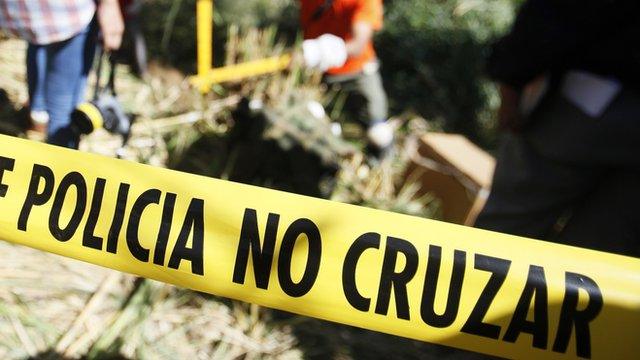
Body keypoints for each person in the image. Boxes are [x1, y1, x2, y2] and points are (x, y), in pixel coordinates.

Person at [475, 0, 640, 257]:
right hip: (601, 106)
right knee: (598, 257)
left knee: (502, 241)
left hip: (584, 106)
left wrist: (512, 80)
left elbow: (558, 12)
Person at [0, 0, 124, 148]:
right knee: (63, 108)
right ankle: (60, 159)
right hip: (65, 15)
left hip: (20, 14)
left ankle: (38, 118)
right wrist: (109, 5)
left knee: (38, 38)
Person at [300, 0, 393, 158]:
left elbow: (358, 44)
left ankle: (380, 168)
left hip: (356, 72)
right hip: (317, 72)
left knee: (378, 132)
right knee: (309, 119)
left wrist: (324, 51)